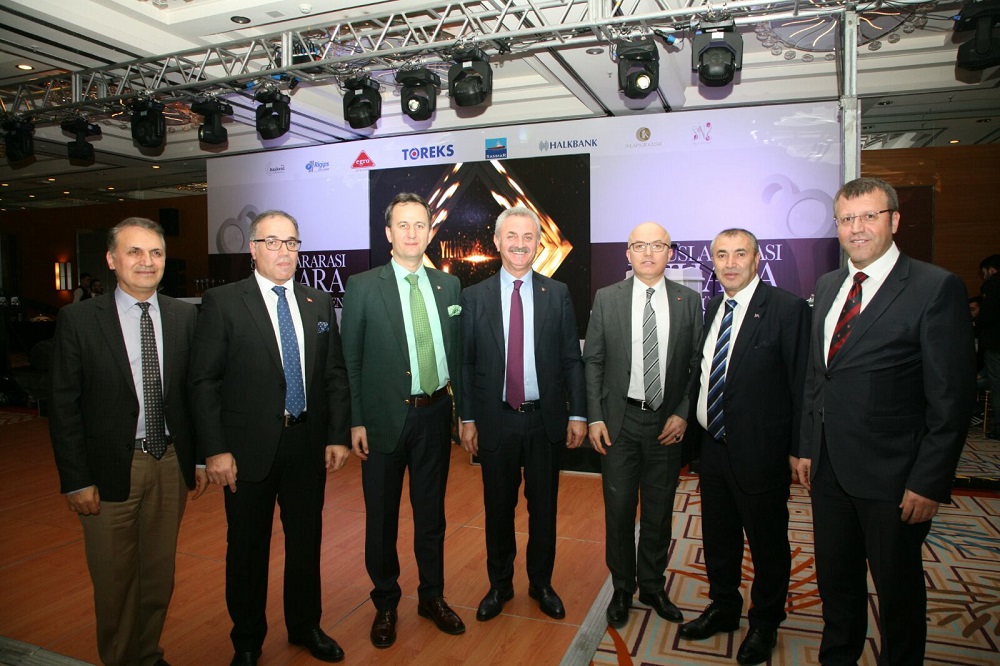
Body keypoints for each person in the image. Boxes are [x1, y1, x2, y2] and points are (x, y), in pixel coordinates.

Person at [794, 177, 973, 665]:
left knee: (897, 594)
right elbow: (818, 376)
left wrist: (929, 481)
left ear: (894, 220)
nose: (857, 228)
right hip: (829, 471)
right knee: (836, 583)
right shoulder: (828, 285)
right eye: (847, 219)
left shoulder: (935, 288)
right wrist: (807, 446)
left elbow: (950, 401)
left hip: (894, 477)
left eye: (869, 216)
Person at [188, 210, 351, 666]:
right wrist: (215, 449)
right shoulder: (223, 302)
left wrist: (337, 435)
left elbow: (334, 375)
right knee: (247, 550)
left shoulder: (318, 302)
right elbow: (203, 382)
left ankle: (305, 626)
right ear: (253, 249)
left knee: (306, 543)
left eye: (292, 242)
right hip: (246, 451)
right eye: (273, 242)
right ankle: (247, 641)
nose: (284, 251)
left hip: (306, 444)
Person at [49, 217, 206, 666]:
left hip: (169, 462)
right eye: (134, 251)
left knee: (158, 576)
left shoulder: (183, 316)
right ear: (111, 259)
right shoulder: (79, 320)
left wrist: (197, 459)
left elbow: (194, 394)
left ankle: (148, 655)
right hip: (109, 469)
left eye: (155, 252)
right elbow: (63, 406)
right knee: (115, 582)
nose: (146, 261)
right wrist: (76, 479)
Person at [340, 192, 465, 648]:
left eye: (420, 225)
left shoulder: (449, 286)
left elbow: (459, 357)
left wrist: (463, 415)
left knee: (431, 516)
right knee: (382, 520)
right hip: (382, 421)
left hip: (434, 416)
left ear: (431, 232)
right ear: (388, 233)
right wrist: (355, 420)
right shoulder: (362, 286)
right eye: (403, 225)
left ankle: (432, 597)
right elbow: (350, 361)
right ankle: (386, 603)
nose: (412, 233)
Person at [679, 229, 809, 665]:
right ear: (713, 261)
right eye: (721, 255)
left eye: (740, 254)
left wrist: (799, 447)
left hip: (762, 450)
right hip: (713, 447)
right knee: (718, 537)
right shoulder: (714, 306)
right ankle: (724, 607)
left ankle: (765, 622)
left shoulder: (787, 309)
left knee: (766, 543)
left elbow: (802, 384)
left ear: (757, 259)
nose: (730, 263)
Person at [459, 206, 587, 622]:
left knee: (543, 509)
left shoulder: (558, 293)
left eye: (528, 237)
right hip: (496, 420)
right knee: (498, 510)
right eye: (511, 236)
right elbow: (466, 363)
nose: (519, 244)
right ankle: (499, 586)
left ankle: (541, 584)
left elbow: (571, 360)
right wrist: (468, 418)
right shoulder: (474, 297)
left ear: (538, 243)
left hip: (544, 420)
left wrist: (578, 414)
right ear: (497, 242)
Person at [582, 222, 702, 628]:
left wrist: (683, 411)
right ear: (628, 253)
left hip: (667, 423)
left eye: (657, 245)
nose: (648, 253)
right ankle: (622, 588)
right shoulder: (607, 298)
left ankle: (652, 584)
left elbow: (696, 364)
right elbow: (593, 360)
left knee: (659, 510)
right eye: (639, 245)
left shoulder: (689, 301)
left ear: (670, 252)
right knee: (618, 511)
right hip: (619, 422)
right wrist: (595, 416)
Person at [979, 254, 1000, 438]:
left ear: (991, 269)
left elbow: (987, 316)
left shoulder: (993, 286)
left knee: (997, 385)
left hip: (995, 342)